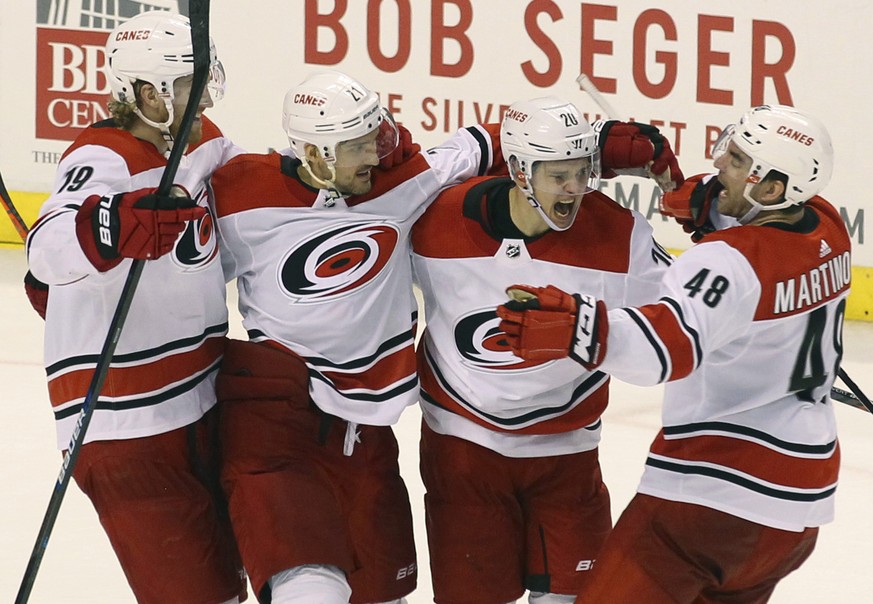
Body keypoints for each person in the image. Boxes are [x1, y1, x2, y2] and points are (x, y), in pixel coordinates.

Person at [209, 70, 682, 604]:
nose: (381, 152)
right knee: (310, 591)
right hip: (312, 419)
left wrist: (598, 145)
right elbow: (180, 269)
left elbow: (488, 141)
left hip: (381, 432)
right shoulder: (244, 190)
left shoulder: (413, 187)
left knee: (385, 595)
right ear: (317, 152)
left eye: (378, 134)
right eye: (362, 144)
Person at [496, 104, 848, 603]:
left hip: (710, 500)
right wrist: (714, 203)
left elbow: (660, 349)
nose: (721, 160)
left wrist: (578, 327)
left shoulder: (728, 263)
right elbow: (761, 238)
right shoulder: (827, 227)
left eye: (738, 159)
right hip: (798, 514)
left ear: (770, 188)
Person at [410, 96, 681, 604]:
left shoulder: (620, 235)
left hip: (567, 455)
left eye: (583, 172)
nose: (575, 190)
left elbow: (686, 316)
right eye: (559, 175)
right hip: (464, 449)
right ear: (517, 170)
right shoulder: (433, 221)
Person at [25, 12, 247, 604]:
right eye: (189, 83)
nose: (206, 95)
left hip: (202, 399)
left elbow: (260, 192)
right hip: (125, 427)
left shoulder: (204, 142)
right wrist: (109, 227)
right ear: (147, 94)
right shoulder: (104, 158)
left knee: (231, 582)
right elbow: (45, 249)